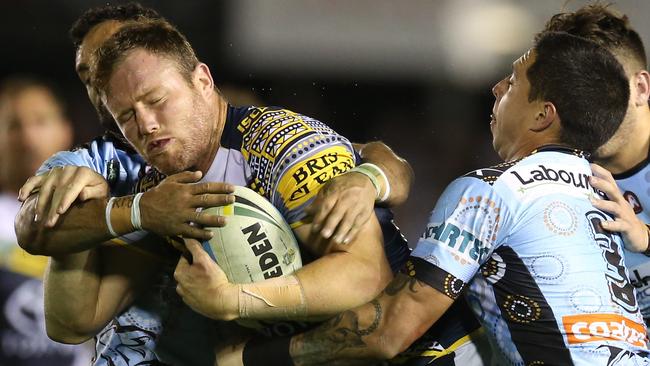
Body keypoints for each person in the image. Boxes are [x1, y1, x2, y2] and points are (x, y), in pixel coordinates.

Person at [14, 8, 430, 365]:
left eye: (157, 100)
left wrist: (236, 299)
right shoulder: (156, 184)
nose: (146, 125)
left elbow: (366, 274)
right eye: (126, 116)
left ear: (203, 81)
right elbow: (73, 322)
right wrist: (81, 212)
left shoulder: (281, 145)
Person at [227, 31, 650, 365]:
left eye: (515, 79)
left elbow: (389, 332)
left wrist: (248, 358)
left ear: (543, 115)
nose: (496, 86)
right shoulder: (602, 192)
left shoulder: (492, 189)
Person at [530, 4, 650, 332]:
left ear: (640, 88)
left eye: (601, 90)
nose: (588, 109)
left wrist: (644, 236)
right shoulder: (562, 179)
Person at [0, 76, 90, 365]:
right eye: (13, 125)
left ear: (65, 131)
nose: (27, 138)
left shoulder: (98, 216)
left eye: (40, 122)